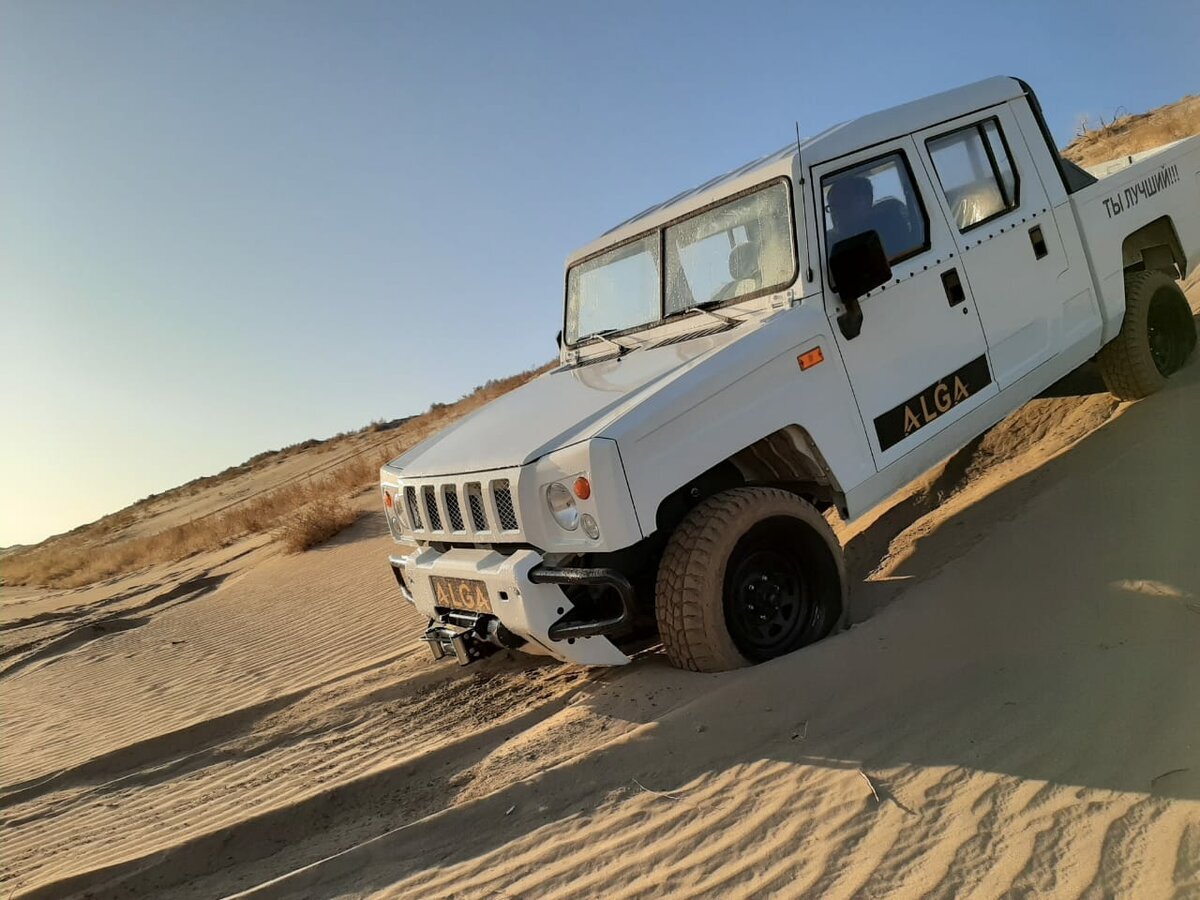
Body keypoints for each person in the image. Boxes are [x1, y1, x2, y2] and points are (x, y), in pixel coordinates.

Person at [825, 174, 875, 252]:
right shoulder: (826, 244)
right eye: (832, 207)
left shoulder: (887, 231)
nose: (836, 212)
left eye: (843, 204)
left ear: (867, 201)